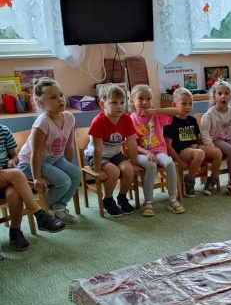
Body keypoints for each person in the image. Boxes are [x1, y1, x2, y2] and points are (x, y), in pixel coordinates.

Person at [18, 77, 81, 224]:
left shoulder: (69, 118)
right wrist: (37, 177)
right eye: (53, 97)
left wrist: (68, 167)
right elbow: (35, 153)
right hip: (30, 163)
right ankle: (43, 208)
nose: (60, 99)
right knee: (64, 181)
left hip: (54, 159)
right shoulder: (42, 123)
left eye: (60, 95)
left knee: (76, 174)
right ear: (41, 103)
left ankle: (58, 207)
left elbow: (69, 145)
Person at [0, 123, 65, 253]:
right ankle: (40, 214)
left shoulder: (3, 130)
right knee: (17, 174)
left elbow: (14, 155)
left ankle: (15, 231)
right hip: (8, 175)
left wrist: (13, 161)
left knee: (15, 195)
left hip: (7, 177)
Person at [129, 84, 185, 216]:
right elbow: (132, 145)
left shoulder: (156, 115)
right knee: (151, 165)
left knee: (170, 163)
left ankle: (172, 198)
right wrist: (147, 152)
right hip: (141, 153)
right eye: (140, 99)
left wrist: (156, 111)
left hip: (159, 150)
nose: (145, 102)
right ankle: (148, 202)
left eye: (148, 99)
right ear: (132, 102)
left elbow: (178, 111)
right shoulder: (131, 119)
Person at [84, 84, 137, 217]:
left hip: (116, 154)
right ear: (103, 104)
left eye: (121, 102)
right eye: (114, 102)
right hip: (98, 156)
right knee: (113, 171)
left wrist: (134, 163)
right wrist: (98, 169)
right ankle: (108, 200)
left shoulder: (126, 119)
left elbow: (131, 142)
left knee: (129, 169)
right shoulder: (99, 121)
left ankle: (122, 197)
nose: (119, 106)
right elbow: (97, 149)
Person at [163, 87, 223, 198]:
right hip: (182, 151)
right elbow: (168, 146)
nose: (188, 107)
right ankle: (189, 181)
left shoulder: (192, 120)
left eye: (190, 104)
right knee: (199, 153)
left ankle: (212, 180)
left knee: (217, 152)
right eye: (183, 104)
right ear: (174, 104)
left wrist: (206, 149)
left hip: (195, 148)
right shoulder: (170, 122)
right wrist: (180, 162)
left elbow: (197, 139)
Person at [200, 81, 231, 195]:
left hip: (229, 138)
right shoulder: (210, 113)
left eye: (226, 93)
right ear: (214, 97)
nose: (223, 96)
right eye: (219, 93)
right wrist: (211, 147)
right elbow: (204, 132)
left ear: (230, 96)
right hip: (215, 140)